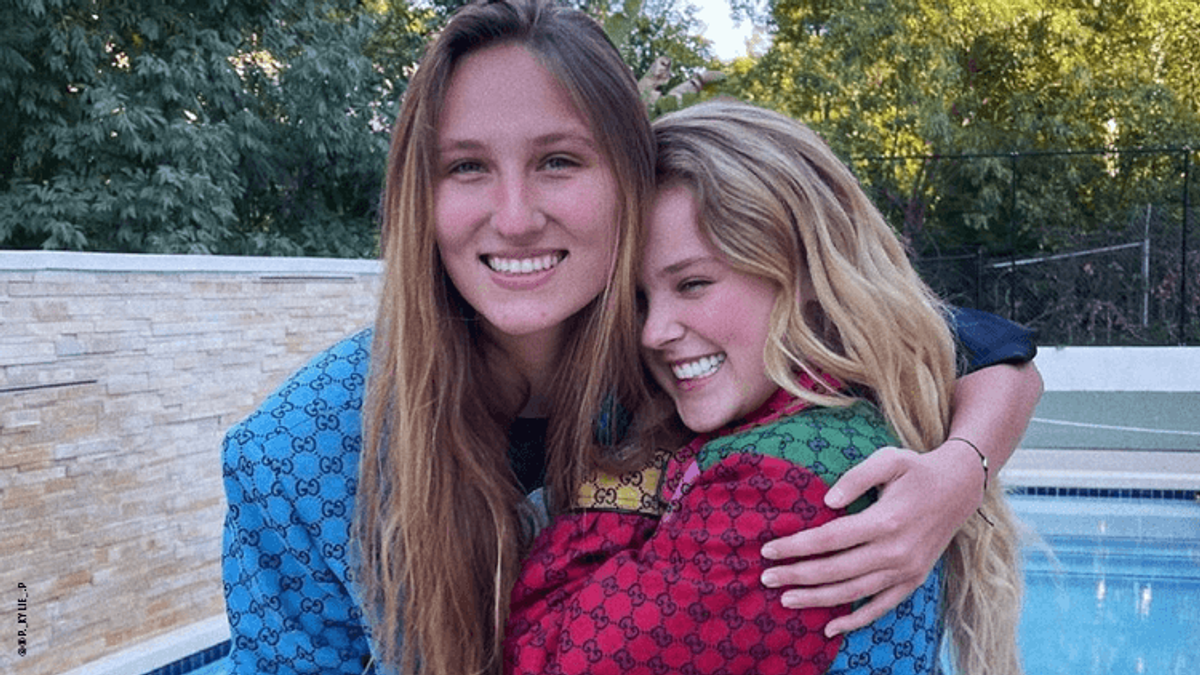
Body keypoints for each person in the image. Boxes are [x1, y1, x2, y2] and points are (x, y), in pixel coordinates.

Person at [219, 2, 1039, 674]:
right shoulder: (297, 453)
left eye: (558, 161)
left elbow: (976, 346)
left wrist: (959, 471)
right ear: (417, 196)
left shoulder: (683, 357)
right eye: (466, 166)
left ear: (629, 177)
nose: (514, 217)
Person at [504, 99, 1026, 675]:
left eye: (693, 283)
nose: (652, 332)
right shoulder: (836, 396)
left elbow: (548, 660)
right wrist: (965, 463)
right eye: (637, 300)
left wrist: (615, 475)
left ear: (805, 268)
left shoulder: (778, 486)